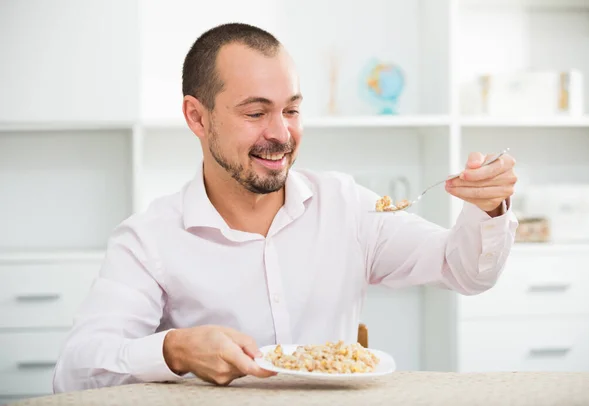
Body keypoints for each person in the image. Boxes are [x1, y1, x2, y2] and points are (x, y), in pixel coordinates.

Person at [52, 22, 518, 392]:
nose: (281, 133)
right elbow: (74, 374)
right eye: (256, 113)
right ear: (197, 116)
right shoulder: (149, 238)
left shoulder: (346, 206)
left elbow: (464, 271)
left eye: (291, 110)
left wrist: (489, 208)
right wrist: (173, 350)